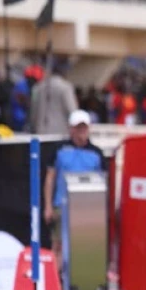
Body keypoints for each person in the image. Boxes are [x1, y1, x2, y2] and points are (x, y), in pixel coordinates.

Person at [43, 110, 106, 279]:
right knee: (58, 245)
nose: (82, 131)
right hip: (62, 204)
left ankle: (83, 280)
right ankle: (53, 283)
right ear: (71, 129)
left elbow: (103, 184)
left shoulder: (97, 153)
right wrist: (48, 206)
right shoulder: (59, 150)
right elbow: (50, 178)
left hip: (88, 208)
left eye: (84, 128)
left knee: (85, 246)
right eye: (78, 128)